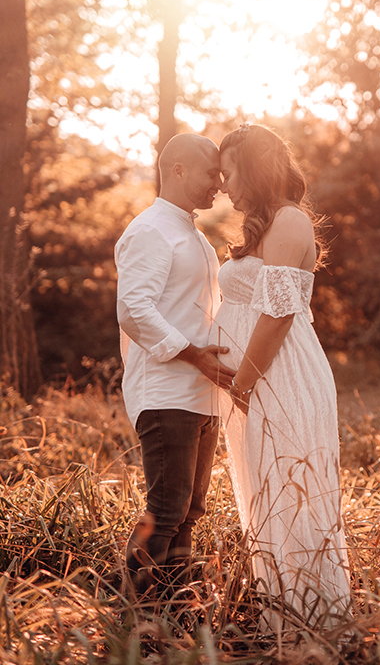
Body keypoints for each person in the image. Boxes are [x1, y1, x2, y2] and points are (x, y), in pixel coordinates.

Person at [210, 123, 351, 628]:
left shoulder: (290, 221)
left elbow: (278, 315)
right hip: (253, 378)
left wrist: (241, 383)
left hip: (280, 376)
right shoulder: (265, 226)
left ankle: (316, 629)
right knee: (264, 492)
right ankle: (282, 620)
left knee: (291, 491)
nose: (223, 185)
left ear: (254, 168)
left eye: (229, 173)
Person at [115, 133, 235, 596]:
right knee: (165, 511)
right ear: (179, 169)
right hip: (166, 392)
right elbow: (134, 310)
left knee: (190, 512)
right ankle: (133, 616)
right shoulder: (149, 230)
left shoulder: (193, 233)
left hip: (202, 394)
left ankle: (174, 609)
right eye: (212, 174)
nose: (219, 186)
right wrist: (195, 357)